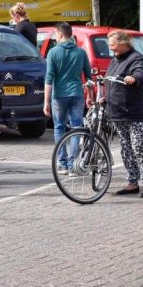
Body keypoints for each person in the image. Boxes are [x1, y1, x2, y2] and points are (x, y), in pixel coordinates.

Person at [105, 30, 143, 198]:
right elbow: (110, 82)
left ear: (123, 43)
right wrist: (104, 98)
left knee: (138, 147)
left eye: (112, 44)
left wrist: (134, 78)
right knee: (125, 149)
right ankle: (132, 182)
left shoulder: (136, 58)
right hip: (118, 112)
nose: (110, 48)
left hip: (135, 112)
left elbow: (140, 73)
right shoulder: (114, 60)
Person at [43, 22, 92, 173]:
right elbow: (88, 77)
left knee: (59, 128)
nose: (55, 37)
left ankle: (62, 163)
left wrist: (46, 101)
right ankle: (73, 165)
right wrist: (90, 96)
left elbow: (49, 78)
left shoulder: (53, 52)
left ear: (61, 34)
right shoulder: (81, 52)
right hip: (77, 94)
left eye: (55, 34)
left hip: (59, 96)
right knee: (76, 127)